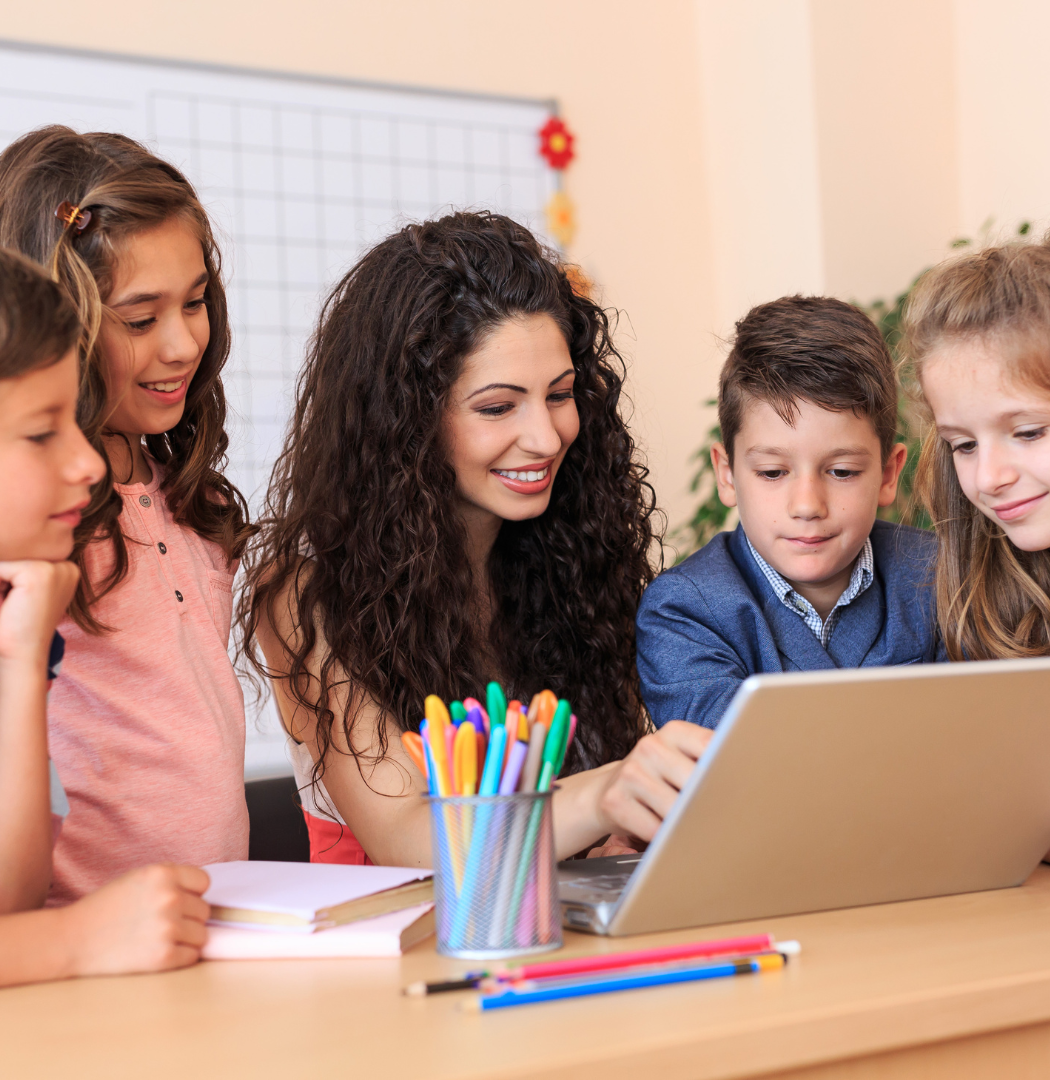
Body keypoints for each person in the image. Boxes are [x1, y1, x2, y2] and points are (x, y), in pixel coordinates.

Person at [243, 211, 711, 865]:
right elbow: (406, 842)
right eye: (497, 407)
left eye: (560, 395)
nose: (547, 438)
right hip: (399, 954)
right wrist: (603, 795)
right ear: (404, 421)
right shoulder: (304, 596)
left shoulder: (570, 566)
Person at [0, 127, 255, 903]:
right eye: (140, 320)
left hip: (204, 932)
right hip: (76, 948)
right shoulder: (39, 531)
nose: (182, 343)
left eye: (197, 302)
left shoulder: (192, 501)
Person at [0, 247, 210, 987]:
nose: (88, 463)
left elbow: (10, 901)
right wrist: (76, 942)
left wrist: (23, 664)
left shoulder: (21, 617)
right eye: (41, 431)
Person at [636, 296, 940, 729]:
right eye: (773, 472)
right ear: (727, 474)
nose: (807, 505)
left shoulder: (941, 577)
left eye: (842, 471)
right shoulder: (683, 612)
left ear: (888, 474)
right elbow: (733, 772)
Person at [905, 221, 1050, 870]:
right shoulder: (987, 581)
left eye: (1028, 432)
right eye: (964, 444)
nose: (989, 477)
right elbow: (1003, 801)